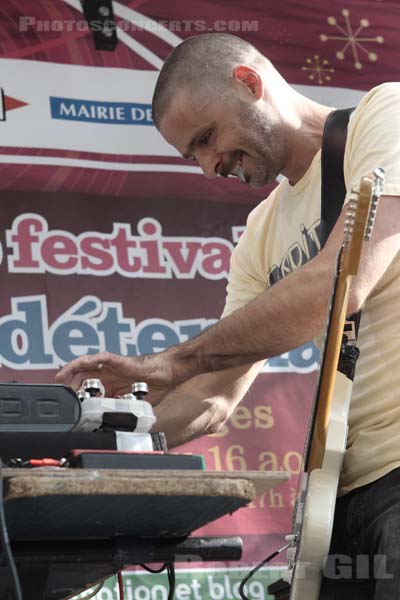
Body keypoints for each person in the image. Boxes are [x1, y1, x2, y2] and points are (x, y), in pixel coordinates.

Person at [56, 34, 400, 597]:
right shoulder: (260, 236)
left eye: (206, 138)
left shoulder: (385, 114)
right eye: (192, 156)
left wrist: (173, 360)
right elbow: (212, 398)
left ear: (249, 82)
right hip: (341, 498)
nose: (210, 167)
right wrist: (82, 455)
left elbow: (341, 282)